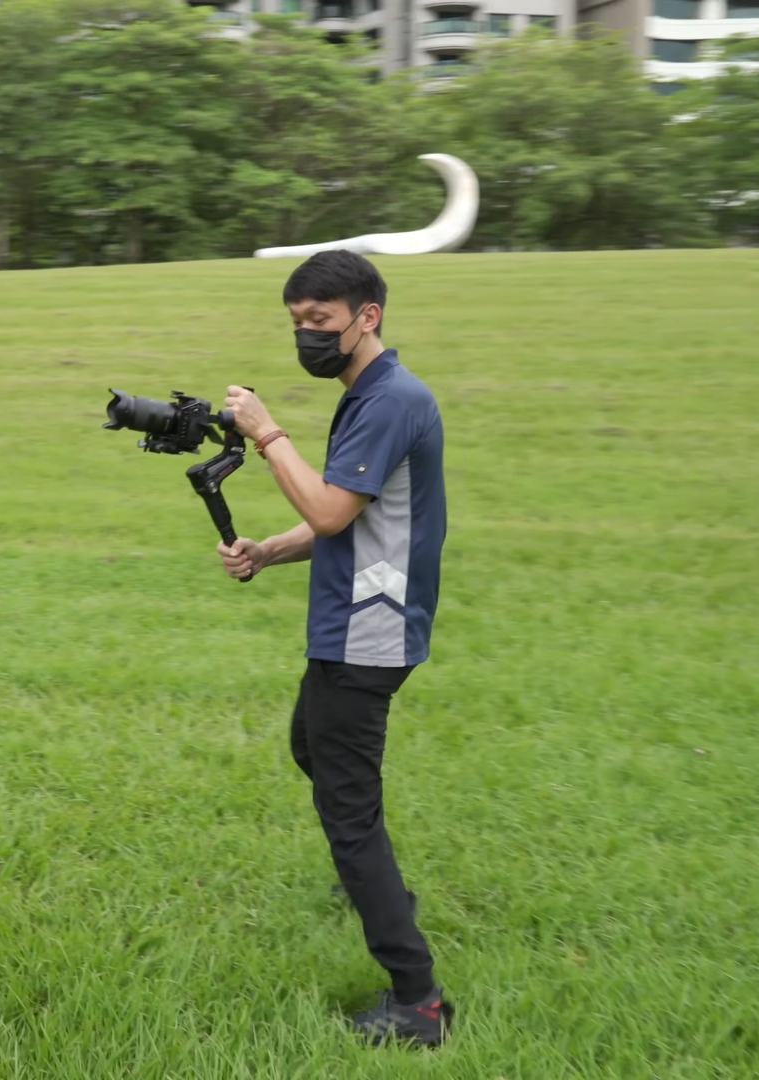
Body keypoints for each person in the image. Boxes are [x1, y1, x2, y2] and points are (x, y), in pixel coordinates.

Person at [216, 250, 453, 1047]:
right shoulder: (374, 393)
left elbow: (325, 509)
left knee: (346, 813)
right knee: (310, 748)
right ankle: (372, 876)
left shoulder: (389, 400)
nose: (307, 338)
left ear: (367, 316)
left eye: (320, 322)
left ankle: (418, 1001)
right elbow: (347, 519)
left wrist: (266, 431)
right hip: (355, 621)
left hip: (369, 630)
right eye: (297, 326)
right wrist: (265, 552)